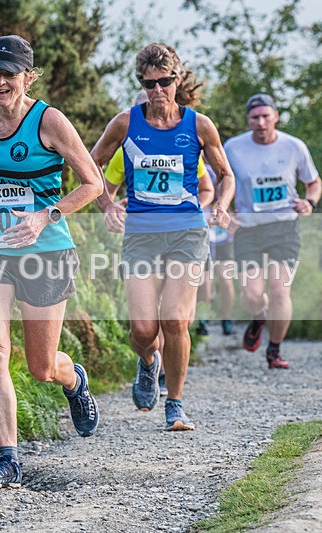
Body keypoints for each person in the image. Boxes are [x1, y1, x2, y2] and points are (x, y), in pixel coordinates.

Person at [0, 35, 104, 489]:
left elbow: (93, 184)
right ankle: (7, 458)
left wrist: (44, 216)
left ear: (28, 77)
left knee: (41, 366)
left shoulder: (48, 120)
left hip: (46, 250)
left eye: (9, 74)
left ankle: (73, 379)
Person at [92, 43, 234, 431]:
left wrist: (220, 205)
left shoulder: (199, 125)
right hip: (140, 234)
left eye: (164, 82)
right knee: (143, 330)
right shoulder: (125, 123)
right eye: (148, 83)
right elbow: (93, 166)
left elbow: (226, 175)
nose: (157, 91)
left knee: (174, 320)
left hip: (187, 233)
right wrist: (108, 204)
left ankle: (175, 403)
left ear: (177, 80)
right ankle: (148, 362)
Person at [224, 93, 322, 369]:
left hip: (284, 227)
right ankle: (260, 316)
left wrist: (309, 201)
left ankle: (274, 350)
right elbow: (219, 180)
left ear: (276, 117)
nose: (261, 122)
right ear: (248, 120)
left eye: (266, 116)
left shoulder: (294, 146)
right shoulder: (233, 148)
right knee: (252, 294)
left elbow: (313, 182)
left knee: (280, 290)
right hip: (248, 229)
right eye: (255, 117)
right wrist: (224, 209)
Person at [197, 163, 237, 337]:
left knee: (226, 281)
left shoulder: (226, 169)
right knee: (206, 282)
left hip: (223, 238)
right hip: (204, 236)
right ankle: (203, 319)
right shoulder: (195, 165)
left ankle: (226, 319)